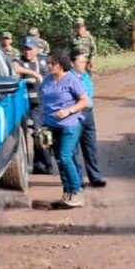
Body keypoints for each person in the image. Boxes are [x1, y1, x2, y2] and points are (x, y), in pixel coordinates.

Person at [38, 52, 90, 209]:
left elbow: (84, 101)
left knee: (66, 157)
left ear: (60, 65)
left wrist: (69, 110)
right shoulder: (47, 80)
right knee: (59, 159)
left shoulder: (71, 80)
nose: (48, 66)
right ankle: (67, 191)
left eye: (51, 63)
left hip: (70, 124)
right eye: (47, 63)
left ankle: (77, 190)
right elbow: (44, 101)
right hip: (50, 125)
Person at [13, 37, 53, 174]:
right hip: (26, 104)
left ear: (36, 49)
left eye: (30, 49)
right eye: (25, 49)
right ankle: (43, 164)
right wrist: (33, 73)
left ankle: (41, 165)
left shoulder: (43, 60)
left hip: (42, 104)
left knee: (42, 133)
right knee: (32, 134)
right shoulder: (20, 61)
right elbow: (14, 67)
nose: (27, 52)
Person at [70, 51, 106, 188]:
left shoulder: (86, 76)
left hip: (88, 114)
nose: (84, 64)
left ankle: (95, 176)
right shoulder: (69, 78)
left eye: (85, 62)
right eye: (81, 62)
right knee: (73, 149)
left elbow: (90, 94)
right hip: (75, 115)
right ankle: (77, 179)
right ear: (72, 63)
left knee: (91, 147)